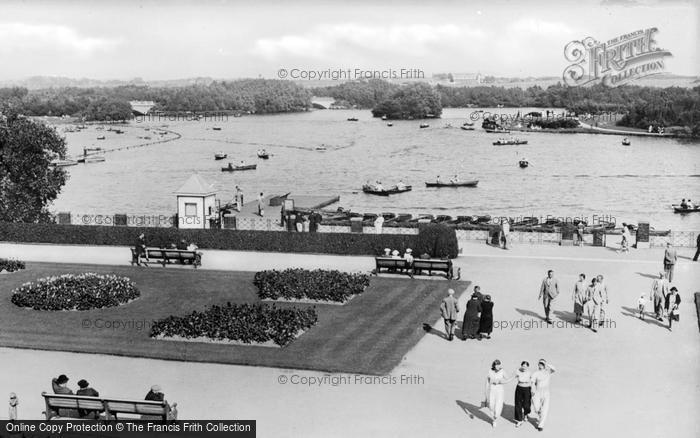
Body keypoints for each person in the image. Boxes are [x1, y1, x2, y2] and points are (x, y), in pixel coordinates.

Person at [483, 359, 513, 427]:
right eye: (496, 364)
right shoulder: (490, 371)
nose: (498, 366)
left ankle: (495, 419)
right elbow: (487, 382)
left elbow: (508, 379)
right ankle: (494, 416)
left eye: (499, 364)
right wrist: (485, 393)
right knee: (491, 405)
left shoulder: (502, 371)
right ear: (494, 365)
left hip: (499, 390)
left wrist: (512, 377)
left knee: (498, 405)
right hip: (492, 389)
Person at [531, 359, 556, 431]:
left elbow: (554, 369)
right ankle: (539, 414)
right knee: (536, 407)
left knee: (545, 408)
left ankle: (540, 425)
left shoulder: (548, 372)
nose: (541, 365)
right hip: (537, 392)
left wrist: (547, 364)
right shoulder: (535, 373)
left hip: (546, 392)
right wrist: (533, 389)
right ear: (538, 364)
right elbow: (532, 382)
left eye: (542, 364)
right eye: (540, 364)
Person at [513, 361, 532, 428]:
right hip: (519, 388)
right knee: (518, 404)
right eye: (523, 366)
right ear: (521, 366)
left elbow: (533, 381)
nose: (524, 367)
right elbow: (513, 377)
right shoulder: (518, 371)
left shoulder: (529, 373)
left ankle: (526, 414)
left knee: (526, 404)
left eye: (525, 366)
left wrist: (534, 389)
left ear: (527, 367)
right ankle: (519, 420)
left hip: (527, 389)